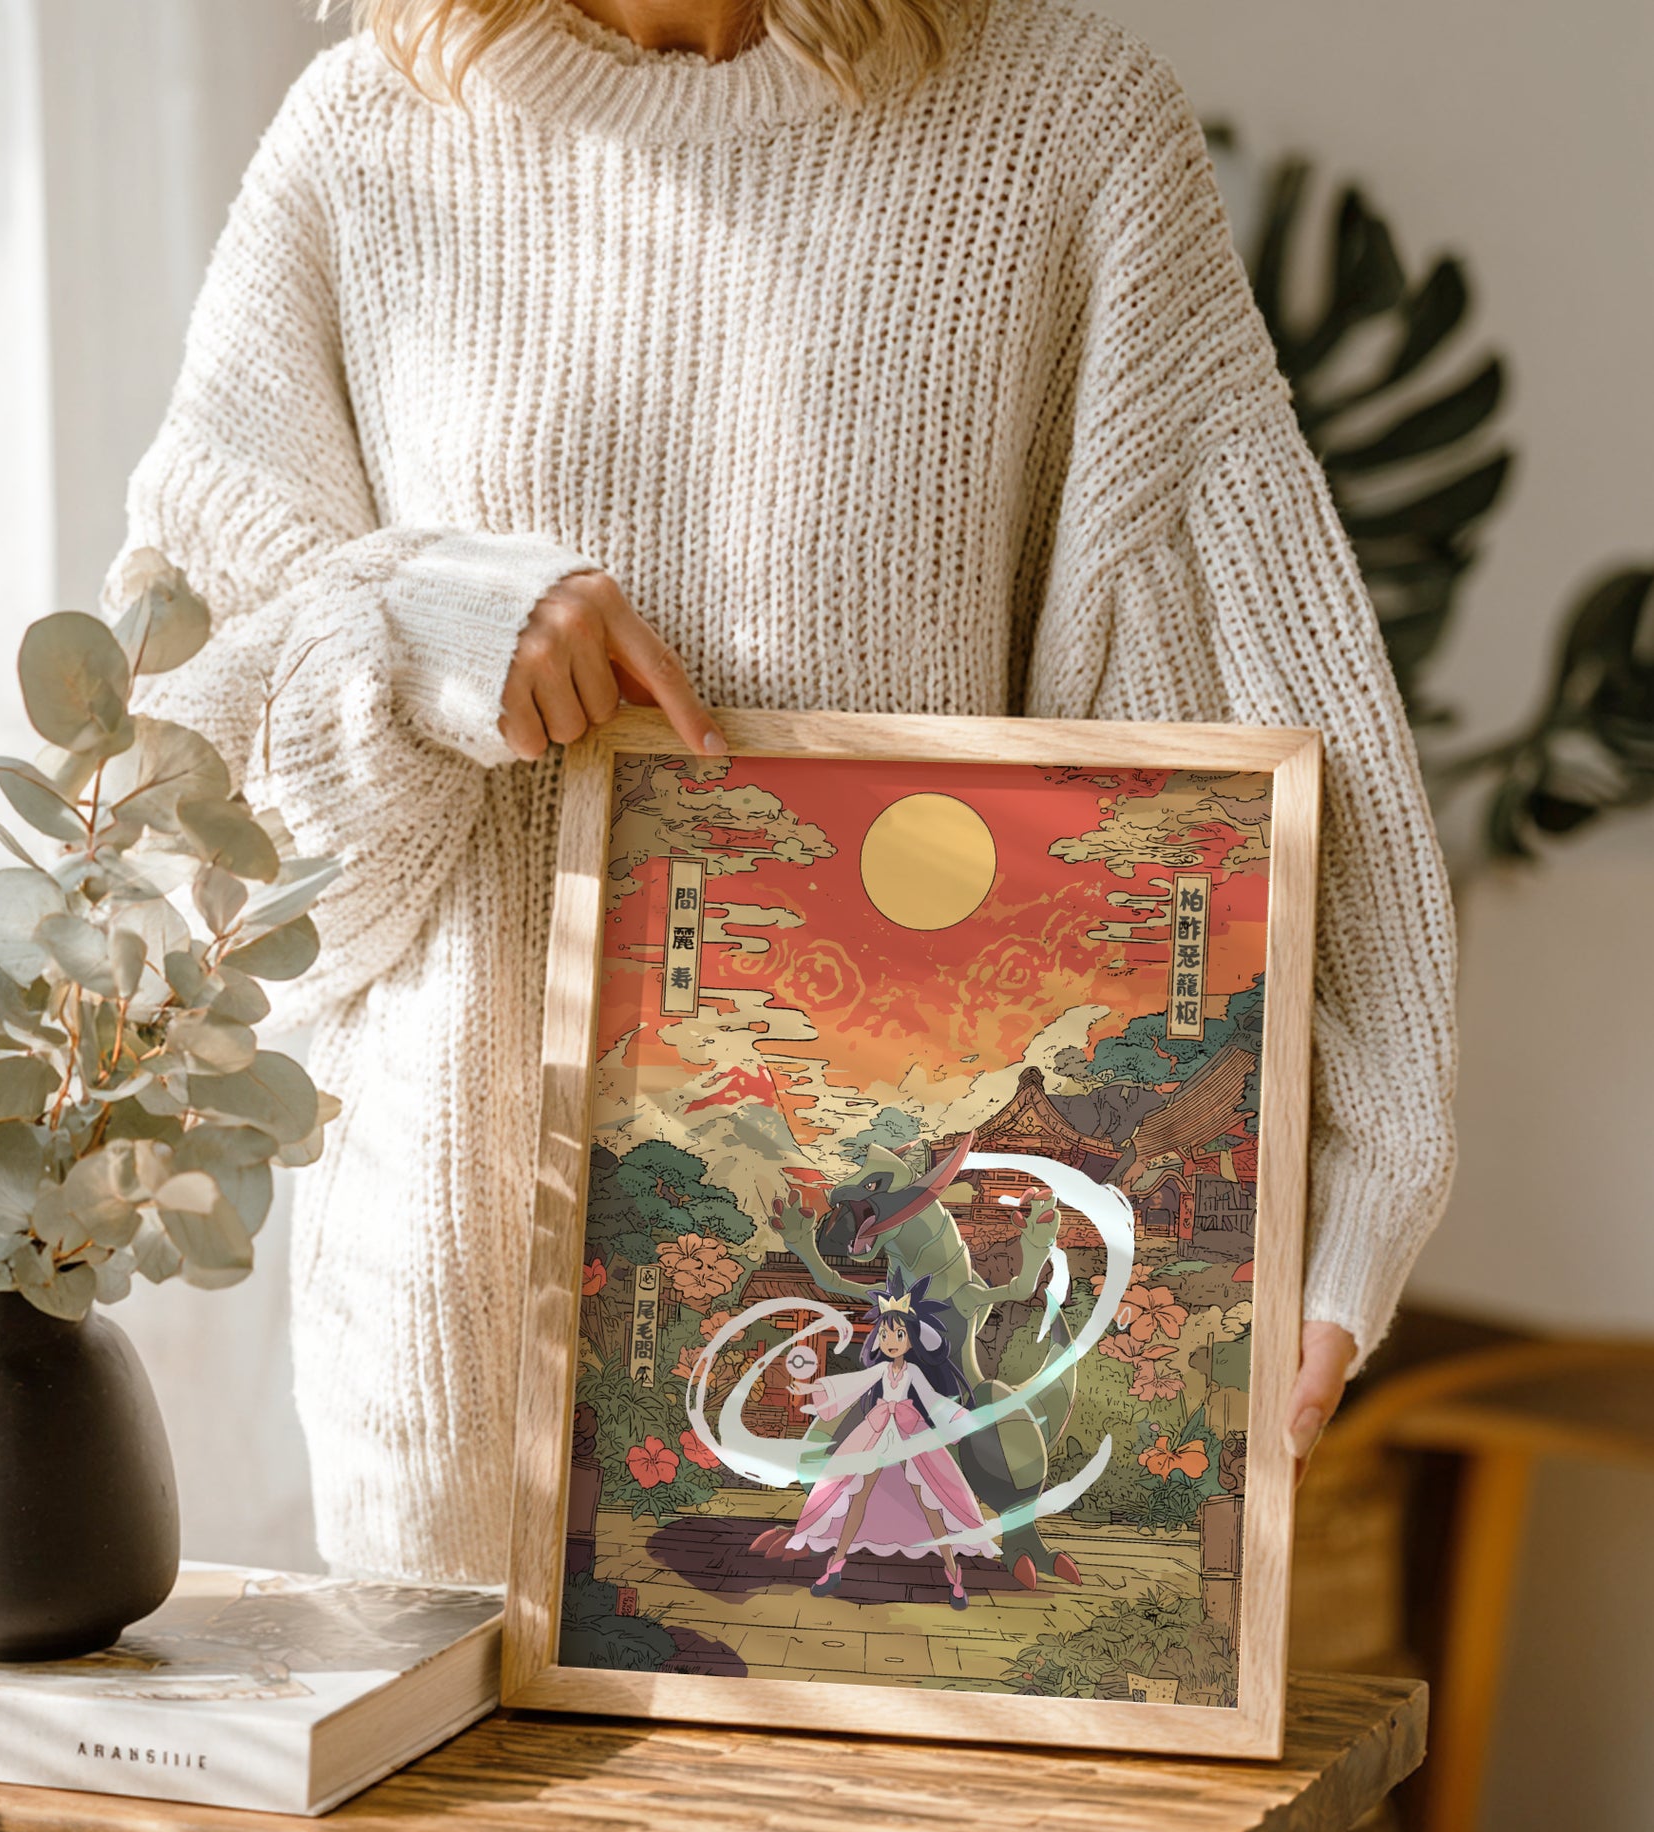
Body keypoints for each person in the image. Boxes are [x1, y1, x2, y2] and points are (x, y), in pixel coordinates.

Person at [103, 0, 1456, 1588]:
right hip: (450, 1351)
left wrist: (1351, 1175)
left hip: (911, 1295)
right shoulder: (363, 141)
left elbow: (1236, 710)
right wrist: (418, 626)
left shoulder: (1061, 127)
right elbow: (180, 822)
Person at [784, 1272, 1002, 1609]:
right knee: (856, 1497)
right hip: (876, 1435)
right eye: (885, 1333)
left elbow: (931, 1400)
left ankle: (953, 1573)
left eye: (899, 1334)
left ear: (912, 1339)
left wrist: (959, 1421)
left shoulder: (913, 1372)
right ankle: (836, 1565)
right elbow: (852, 1384)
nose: (890, 1340)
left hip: (909, 1435)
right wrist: (812, 1389)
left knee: (931, 1502)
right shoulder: (881, 1371)